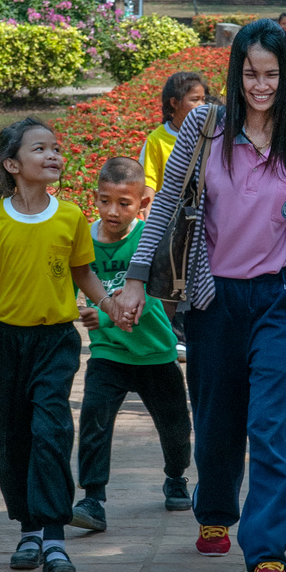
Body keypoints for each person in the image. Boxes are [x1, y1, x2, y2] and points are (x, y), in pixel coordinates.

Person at [118, 19, 286, 572]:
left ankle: (267, 554)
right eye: (250, 73)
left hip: (276, 300)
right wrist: (137, 279)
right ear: (234, 72)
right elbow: (164, 205)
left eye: (272, 74)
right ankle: (213, 503)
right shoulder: (203, 127)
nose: (260, 85)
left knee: (267, 423)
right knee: (216, 418)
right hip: (213, 298)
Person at [0, 118, 128, 572]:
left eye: (57, 148)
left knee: (51, 430)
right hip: (9, 342)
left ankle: (55, 539)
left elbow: (82, 272)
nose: (54, 155)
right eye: (41, 149)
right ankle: (29, 529)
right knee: (15, 436)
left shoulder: (71, 217)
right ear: (13, 165)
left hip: (56, 340)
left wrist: (108, 304)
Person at [71, 157, 192, 534]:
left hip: (156, 352)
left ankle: (176, 477)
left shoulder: (149, 239)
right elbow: (75, 289)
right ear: (95, 198)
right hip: (109, 353)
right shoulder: (84, 243)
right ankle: (93, 498)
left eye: (124, 203)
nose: (113, 211)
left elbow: (152, 298)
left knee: (175, 426)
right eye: (105, 200)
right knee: (94, 421)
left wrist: (104, 314)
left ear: (143, 202)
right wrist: (84, 313)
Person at [140, 71, 209, 215]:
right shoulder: (157, 140)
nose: (201, 105)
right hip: (169, 217)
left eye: (203, 99)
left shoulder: (211, 135)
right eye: (194, 99)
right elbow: (149, 185)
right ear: (174, 103)